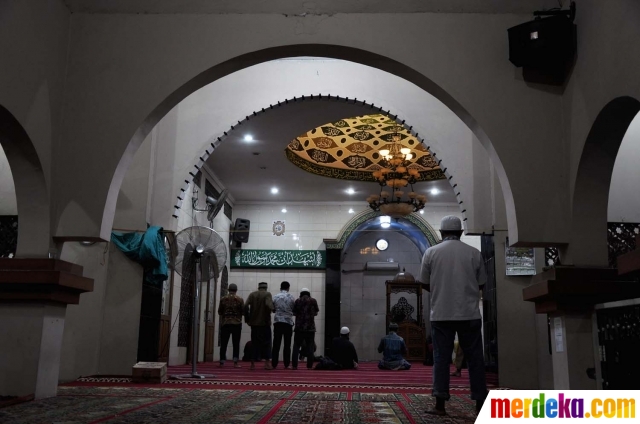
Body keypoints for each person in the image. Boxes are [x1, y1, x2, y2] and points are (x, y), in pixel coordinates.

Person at [420, 215, 487, 416]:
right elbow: (482, 283)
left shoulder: (431, 252)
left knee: (441, 359)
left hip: (441, 314)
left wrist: (442, 291)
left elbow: (424, 283)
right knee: (475, 359)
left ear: (441, 233)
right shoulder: (474, 253)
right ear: (460, 232)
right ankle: (479, 404)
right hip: (469, 313)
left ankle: (440, 405)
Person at [244, 282, 274, 370]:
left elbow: (245, 305)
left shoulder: (252, 294)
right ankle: (267, 363)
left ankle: (252, 364)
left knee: (254, 343)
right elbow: (269, 305)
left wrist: (247, 318)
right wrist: (273, 309)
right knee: (267, 343)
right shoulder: (267, 294)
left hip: (254, 324)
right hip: (264, 323)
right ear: (266, 288)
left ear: (258, 287)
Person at [217, 283, 244, 368]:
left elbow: (220, 312)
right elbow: (243, 311)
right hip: (236, 323)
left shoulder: (223, 299)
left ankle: (222, 362)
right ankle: (235, 362)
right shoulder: (240, 299)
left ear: (228, 290)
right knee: (236, 343)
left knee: (224, 343)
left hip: (225, 323)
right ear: (236, 290)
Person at [291, 287, 319, 370]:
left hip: (299, 328)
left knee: (296, 346)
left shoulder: (297, 301)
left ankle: (294, 365)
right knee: (310, 346)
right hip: (310, 328)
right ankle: (309, 365)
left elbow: (294, 313)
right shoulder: (313, 301)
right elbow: (316, 312)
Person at [271, 281, 296, 369]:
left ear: (280, 288)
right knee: (287, 344)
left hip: (278, 322)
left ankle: (274, 363)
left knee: (276, 343)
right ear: (288, 288)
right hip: (288, 323)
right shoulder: (292, 297)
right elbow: (294, 310)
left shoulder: (275, 297)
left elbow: (273, 309)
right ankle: (286, 364)